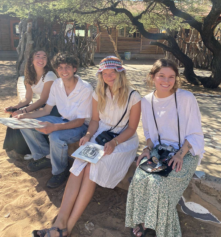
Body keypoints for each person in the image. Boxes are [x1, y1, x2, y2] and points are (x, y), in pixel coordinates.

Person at [32, 56, 141, 237]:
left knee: (91, 166)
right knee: (78, 165)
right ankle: (60, 222)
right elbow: (95, 121)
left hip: (123, 140)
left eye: (112, 73)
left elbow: (131, 128)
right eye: (105, 74)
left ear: (120, 73)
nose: (109, 77)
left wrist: (114, 142)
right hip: (100, 134)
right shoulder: (98, 92)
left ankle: (68, 226)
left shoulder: (133, 95)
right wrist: (88, 135)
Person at [126, 59, 205, 237]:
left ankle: (158, 227)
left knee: (158, 184)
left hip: (186, 151)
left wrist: (180, 155)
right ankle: (144, 219)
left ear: (176, 78)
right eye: (161, 76)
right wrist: (147, 150)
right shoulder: (146, 101)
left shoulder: (186, 98)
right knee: (139, 177)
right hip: (160, 150)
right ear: (152, 77)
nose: (166, 81)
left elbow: (194, 133)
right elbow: (149, 133)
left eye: (171, 77)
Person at [16, 53, 93, 188]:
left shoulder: (85, 88)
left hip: (80, 127)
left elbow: (80, 121)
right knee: (25, 124)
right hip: (62, 120)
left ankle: (60, 171)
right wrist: (24, 115)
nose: (64, 71)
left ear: (74, 69)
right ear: (56, 70)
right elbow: (46, 110)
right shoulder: (57, 84)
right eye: (60, 68)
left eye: (67, 67)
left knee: (56, 136)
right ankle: (43, 156)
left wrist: (54, 127)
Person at [3, 49, 57, 155]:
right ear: (32, 60)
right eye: (38, 56)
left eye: (44, 56)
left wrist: (24, 111)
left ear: (47, 60)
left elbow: (43, 99)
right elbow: (27, 98)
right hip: (43, 106)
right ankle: (16, 148)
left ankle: (27, 151)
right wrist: (15, 107)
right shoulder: (30, 76)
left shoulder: (50, 75)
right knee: (14, 114)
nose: (41, 59)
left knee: (23, 117)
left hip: (52, 108)